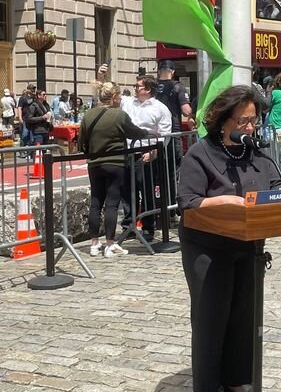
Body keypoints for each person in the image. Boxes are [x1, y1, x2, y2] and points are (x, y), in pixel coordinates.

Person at [177, 85, 281, 392]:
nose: (250, 127)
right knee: (211, 316)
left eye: (254, 121)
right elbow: (188, 202)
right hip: (207, 247)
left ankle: (236, 381)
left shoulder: (258, 155)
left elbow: (276, 189)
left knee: (243, 317)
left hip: (248, 246)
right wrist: (227, 201)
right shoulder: (200, 154)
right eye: (242, 121)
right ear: (223, 120)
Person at [78, 80, 151, 257]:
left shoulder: (88, 115)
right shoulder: (119, 115)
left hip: (94, 163)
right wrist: (148, 133)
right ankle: (110, 244)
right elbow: (134, 132)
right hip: (115, 162)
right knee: (112, 204)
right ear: (115, 97)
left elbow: (81, 143)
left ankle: (94, 243)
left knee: (96, 202)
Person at [120, 75, 172, 241]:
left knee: (147, 190)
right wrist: (102, 76)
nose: (135, 89)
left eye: (138, 86)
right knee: (127, 191)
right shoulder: (128, 102)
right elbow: (109, 93)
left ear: (148, 89)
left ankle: (148, 227)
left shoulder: (160, 109)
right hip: (127, 152)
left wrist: (153, 153)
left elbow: (164, 135)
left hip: (145, 154)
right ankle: (129, 226)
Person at [157, 60, 194, 218]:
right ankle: (173, 209)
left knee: (157, 172)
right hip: (173, 133)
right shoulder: (178, 87)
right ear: (172, 72)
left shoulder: (152, 87)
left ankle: (158, 208)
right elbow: (186, 111)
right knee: (174, 172)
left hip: (156, 135)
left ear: (159, 71)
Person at [18, 83, 36, 157]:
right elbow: (20, 108)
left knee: (32, 137)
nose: (33, 90)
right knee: (25, 135)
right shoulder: (23, 98)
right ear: (28, 89)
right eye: (32, 89)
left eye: (34, 89)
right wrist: (20, 118)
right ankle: (21, 150)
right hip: (25, 119)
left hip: (32, 120)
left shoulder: (35, 98)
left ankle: (30, 152)